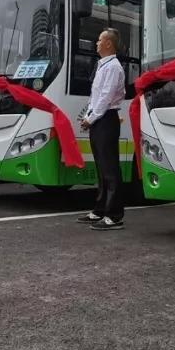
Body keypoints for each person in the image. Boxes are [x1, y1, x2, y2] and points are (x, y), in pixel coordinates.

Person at [78, 28, 127, 231]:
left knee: (110, 168)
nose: (96, 43)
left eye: (99, 40)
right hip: (100, 119)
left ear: (108, 44)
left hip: (106, 119)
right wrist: (89, 116)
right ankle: (100, 210)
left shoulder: (113, 67)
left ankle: (114, 215)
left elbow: (106, 97)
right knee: (101, 168)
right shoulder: (102, 65)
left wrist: (91, 118)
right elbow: (96, 96)